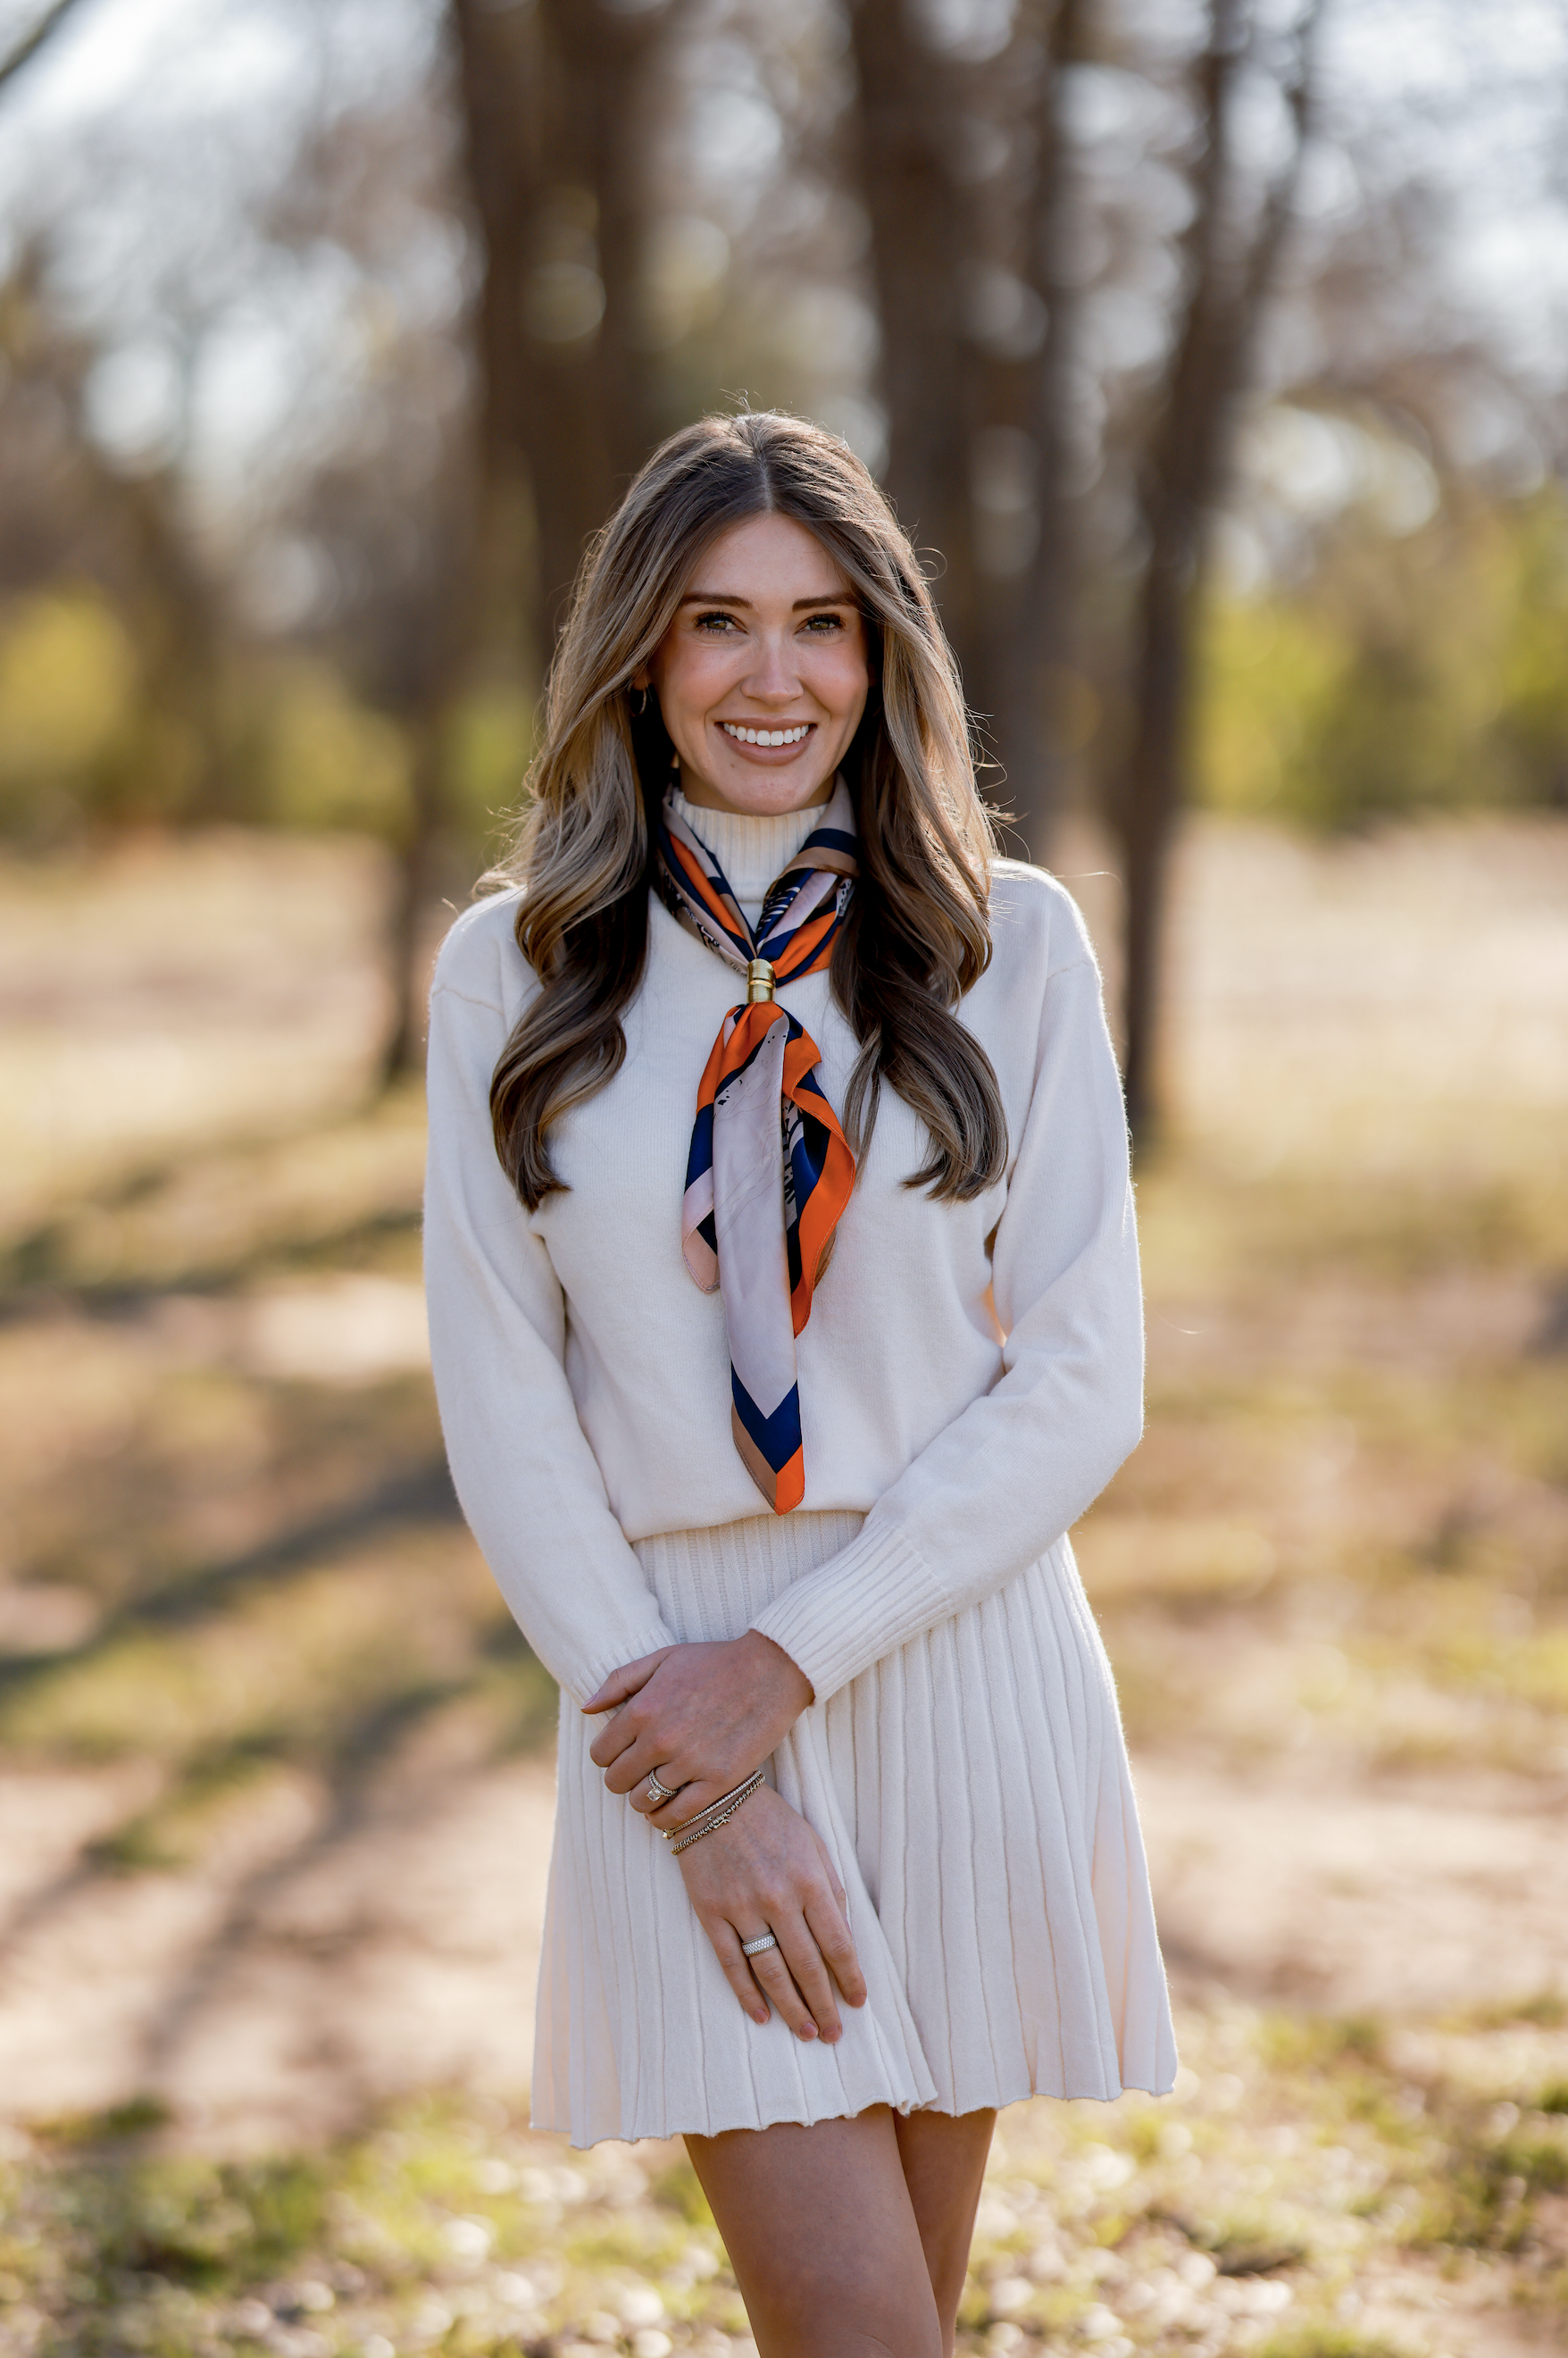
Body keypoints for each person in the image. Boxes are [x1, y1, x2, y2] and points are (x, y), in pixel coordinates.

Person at [422, 409, 1176, 2358]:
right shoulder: (510, 977)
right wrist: (698, 1754)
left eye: (823, 624)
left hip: (960, 1655)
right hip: (667, 1690)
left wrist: (801, 1652)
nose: (776, 677)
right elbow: (503, 1402)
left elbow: (1082, 1373)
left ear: (883, 653)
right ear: (640, 663)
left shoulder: (1006, 943)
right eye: (717, 626)